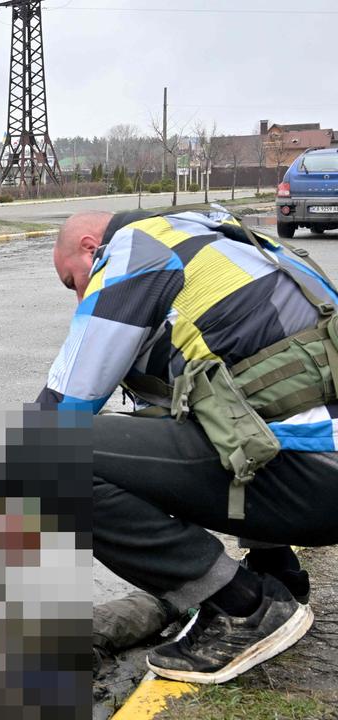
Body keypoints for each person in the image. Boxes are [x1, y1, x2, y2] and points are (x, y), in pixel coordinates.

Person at [40, 207, 338, 684]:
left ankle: (246, 607)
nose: (79, 298)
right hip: (319, 475)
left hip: (316, 478)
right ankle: (276, 572)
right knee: (197, 417)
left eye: (71, 281)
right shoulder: (219, 235)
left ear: (90, 249)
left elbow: (60, 414)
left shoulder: (137, 250)